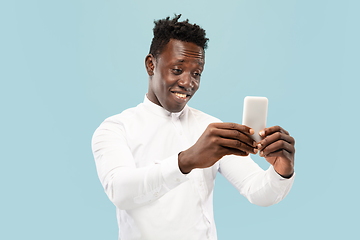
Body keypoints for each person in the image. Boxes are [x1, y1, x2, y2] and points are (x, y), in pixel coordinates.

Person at [92, 14, 295, 240]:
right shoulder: (115, 129)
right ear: (151, 64)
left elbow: (258, 192)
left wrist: (281, 170)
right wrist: (187, 160)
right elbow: (120, 191)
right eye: (177, 70)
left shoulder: (211, 128)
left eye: (196, 73)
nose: (189, 83)